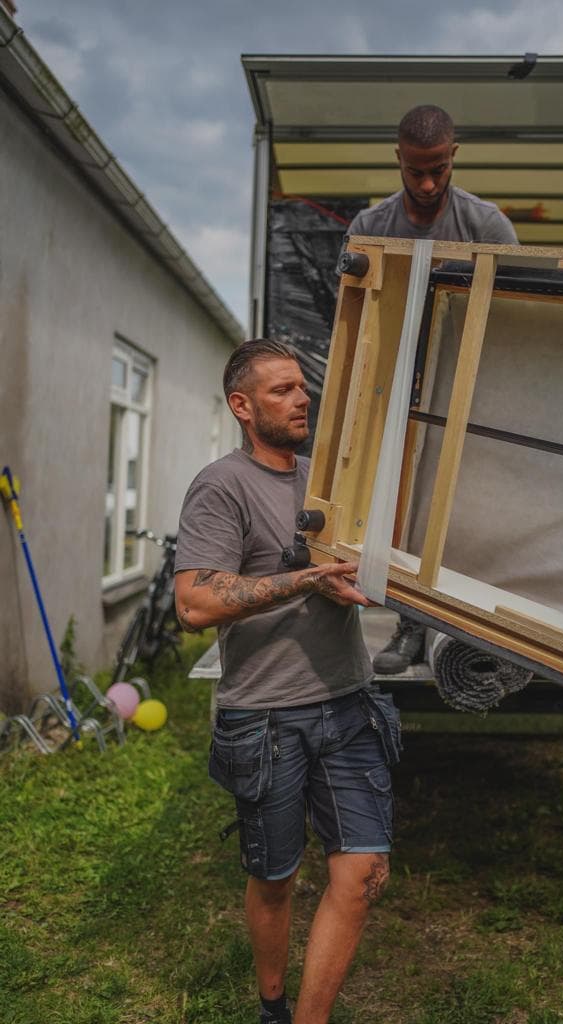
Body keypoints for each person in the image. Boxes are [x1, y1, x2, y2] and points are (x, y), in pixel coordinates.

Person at [174, 338, 402, 1024]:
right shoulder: (223, 484)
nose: (301, 398)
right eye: (280, 390)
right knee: (275, 880)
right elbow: (193, 603)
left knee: (361, 876)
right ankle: (272, 1004)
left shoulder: (325, 480)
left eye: (302, 387)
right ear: (242, 406)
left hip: (348, 701)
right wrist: (301, 580)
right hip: (267, 717)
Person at [341, 103, 518, 674]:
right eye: (415, 169)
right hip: (393, 393)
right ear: (397, 158)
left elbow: (515, 319)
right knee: (398, 510)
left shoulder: (486, 226)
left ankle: (483, 628)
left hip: (465, 392)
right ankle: (411, 627)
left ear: (453, 157)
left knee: (467, 512)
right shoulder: (370, 228)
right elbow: (352, 320)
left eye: (437, 169)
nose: (425, 182)